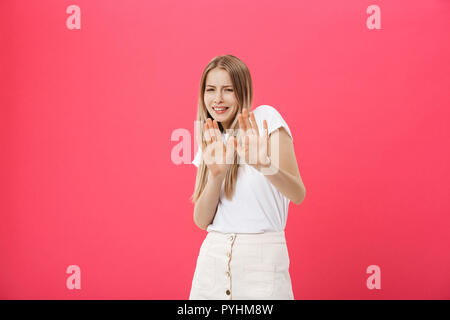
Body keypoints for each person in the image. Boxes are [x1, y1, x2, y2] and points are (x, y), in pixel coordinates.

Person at [189, 54, 306, 300]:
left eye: (228, 89)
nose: (217, 99)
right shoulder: (210, 137)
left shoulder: (265, 120)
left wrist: (263, 164)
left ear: (242, 91)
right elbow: (201, 220)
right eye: (210, 90)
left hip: (262, 261)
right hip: (213, 260)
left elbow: (297, 193)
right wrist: (217, 176)